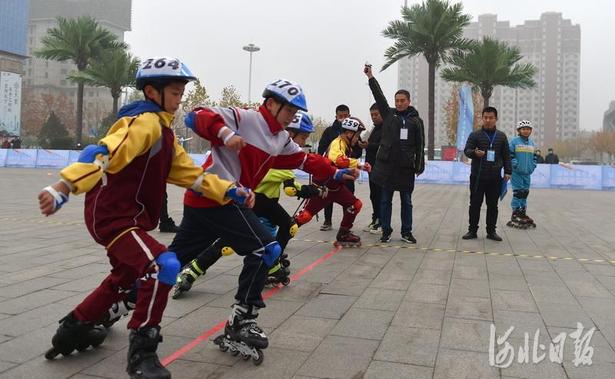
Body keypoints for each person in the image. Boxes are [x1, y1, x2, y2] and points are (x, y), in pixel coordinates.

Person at [37, 57, 243, 379]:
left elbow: (191, 175)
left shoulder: (163, 131)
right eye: (175, 93)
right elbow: (103, 154)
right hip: (113, 217)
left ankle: (74, 327)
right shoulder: (142, 123)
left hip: (128, 218)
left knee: (123, 276)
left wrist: (229, 190)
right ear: (152, 91)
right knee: (164, 265)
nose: (179, 100)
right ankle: (142, 353)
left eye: (180, 94)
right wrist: (64, 186)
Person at [156, 79, 356, 358]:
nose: (291, 117)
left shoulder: (280, 138)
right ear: (271, 103)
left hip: (214, 202)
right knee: (266, 247)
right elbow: (196, 114)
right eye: (289, 110)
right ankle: (241, 321)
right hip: (217, 197)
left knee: (172, 261)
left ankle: (115, 302)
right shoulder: (244, 117)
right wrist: (225, 133)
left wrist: (334, 173)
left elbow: (304, 160)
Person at [364, 64, 425, 244]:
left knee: (406, 201)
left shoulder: (416, 121)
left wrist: (419, 165)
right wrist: (370, 77)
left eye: (402, 100)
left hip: (405, 167)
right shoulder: (389, 115)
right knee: (385, 200)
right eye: (397, 100)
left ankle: (406, 232)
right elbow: (379, 96)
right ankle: (386, 230)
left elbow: (420, 144)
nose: (399, 103)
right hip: (387, 166)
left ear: (408, 101)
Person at [295, 117, 369, 247]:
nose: (358, 139)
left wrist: (350, 173)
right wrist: (359, 164)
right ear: (349, 133)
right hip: (323, 188)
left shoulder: (346, 146)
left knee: (355, 205)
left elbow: (338, 167)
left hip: (336, 188)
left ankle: (343, 234)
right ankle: (280, 235)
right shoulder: (338, 142)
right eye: (357, 135)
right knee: (305, 217)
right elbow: (338, 160)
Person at [462, 106, 512, 241]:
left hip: (495, 177)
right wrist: (474, 153)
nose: (488, 120)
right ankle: (472, 230)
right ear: (482, 118)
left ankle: (491, 231)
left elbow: (506, 155)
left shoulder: (501, 136)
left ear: (496, 119)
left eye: (491, 118)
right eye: (486, 118)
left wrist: (508, 171)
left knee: (492, 205)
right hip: (478, 176)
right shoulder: (475, 135)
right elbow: (466, 150)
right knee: (475, 204)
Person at [317, 104, 352, 231]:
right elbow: (321, 149)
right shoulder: (329, 131)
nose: (343, 118)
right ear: (336, 116)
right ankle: (327, 221)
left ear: (349, 116)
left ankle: (346, 224)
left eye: (345, 116)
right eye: (340, 116)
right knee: (328, 195)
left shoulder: (352, 132)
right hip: (330, 169)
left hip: (347, 170)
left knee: (348, 197)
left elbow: (357, 151)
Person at [507, 120, 537, 229]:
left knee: (525, 192)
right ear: (519, 130)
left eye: (528, 129)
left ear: (531, 131)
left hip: (527, 173)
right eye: (523, 129)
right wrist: (515, 165)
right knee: (518, 192)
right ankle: (515, 213)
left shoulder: (532, 143)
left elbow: (535, 157)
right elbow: (510, 155)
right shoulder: (514, 142)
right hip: (517, 173)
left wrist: (533, 166)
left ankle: (523, 212)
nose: (526, 131)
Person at [363, 103, 383, 234]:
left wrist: (368, 145)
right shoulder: (375, 129)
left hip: (380, 168)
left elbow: (383, 146)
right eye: (372, 115)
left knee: (380, 196)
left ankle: (382, 222)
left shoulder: (386, 128)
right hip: (371, 168)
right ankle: (375, 219)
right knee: (373, 195)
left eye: (376, 114)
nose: (374, 117)